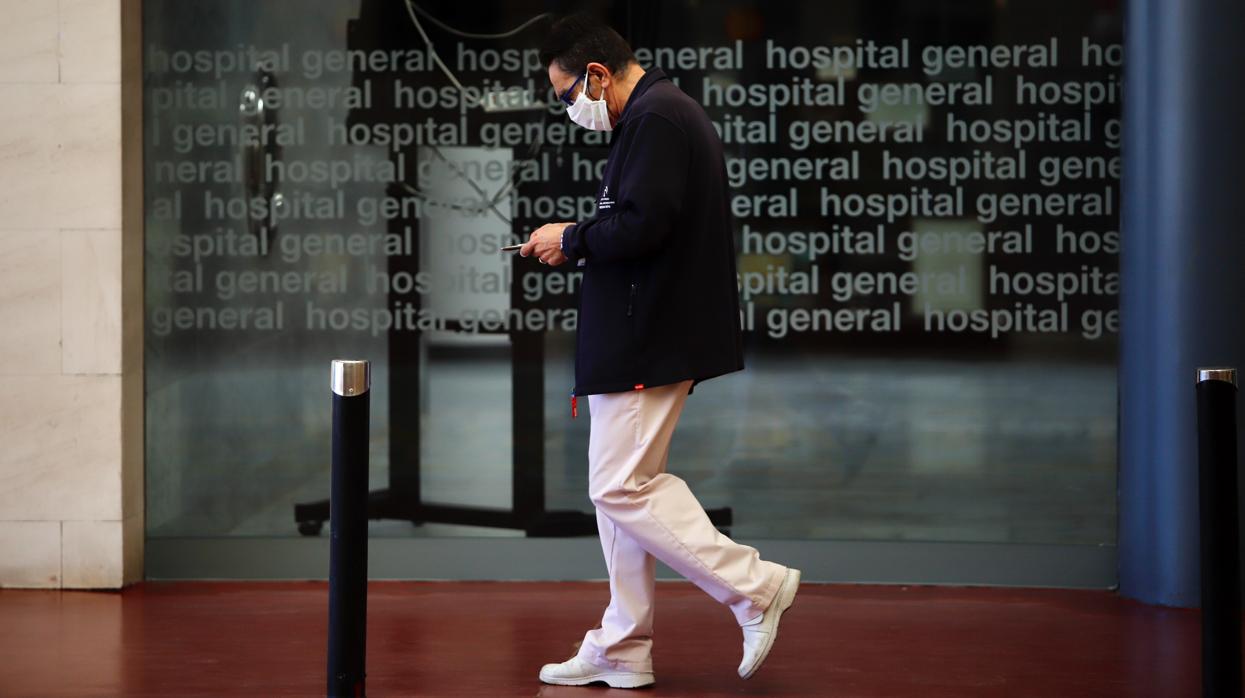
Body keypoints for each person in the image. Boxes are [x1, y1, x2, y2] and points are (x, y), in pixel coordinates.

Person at [520, 13, 801, 689]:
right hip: (639, 332)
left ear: (594, 74)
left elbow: (642, 225)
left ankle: (753, 586)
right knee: (618, 494)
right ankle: (621, 647)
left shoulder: (655, 121)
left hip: (646, 335)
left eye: (565, 96)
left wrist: (571, 236)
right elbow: (640, 222)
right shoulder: (655, 116)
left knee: (621, 487)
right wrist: (581, 239)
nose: (569, 111)